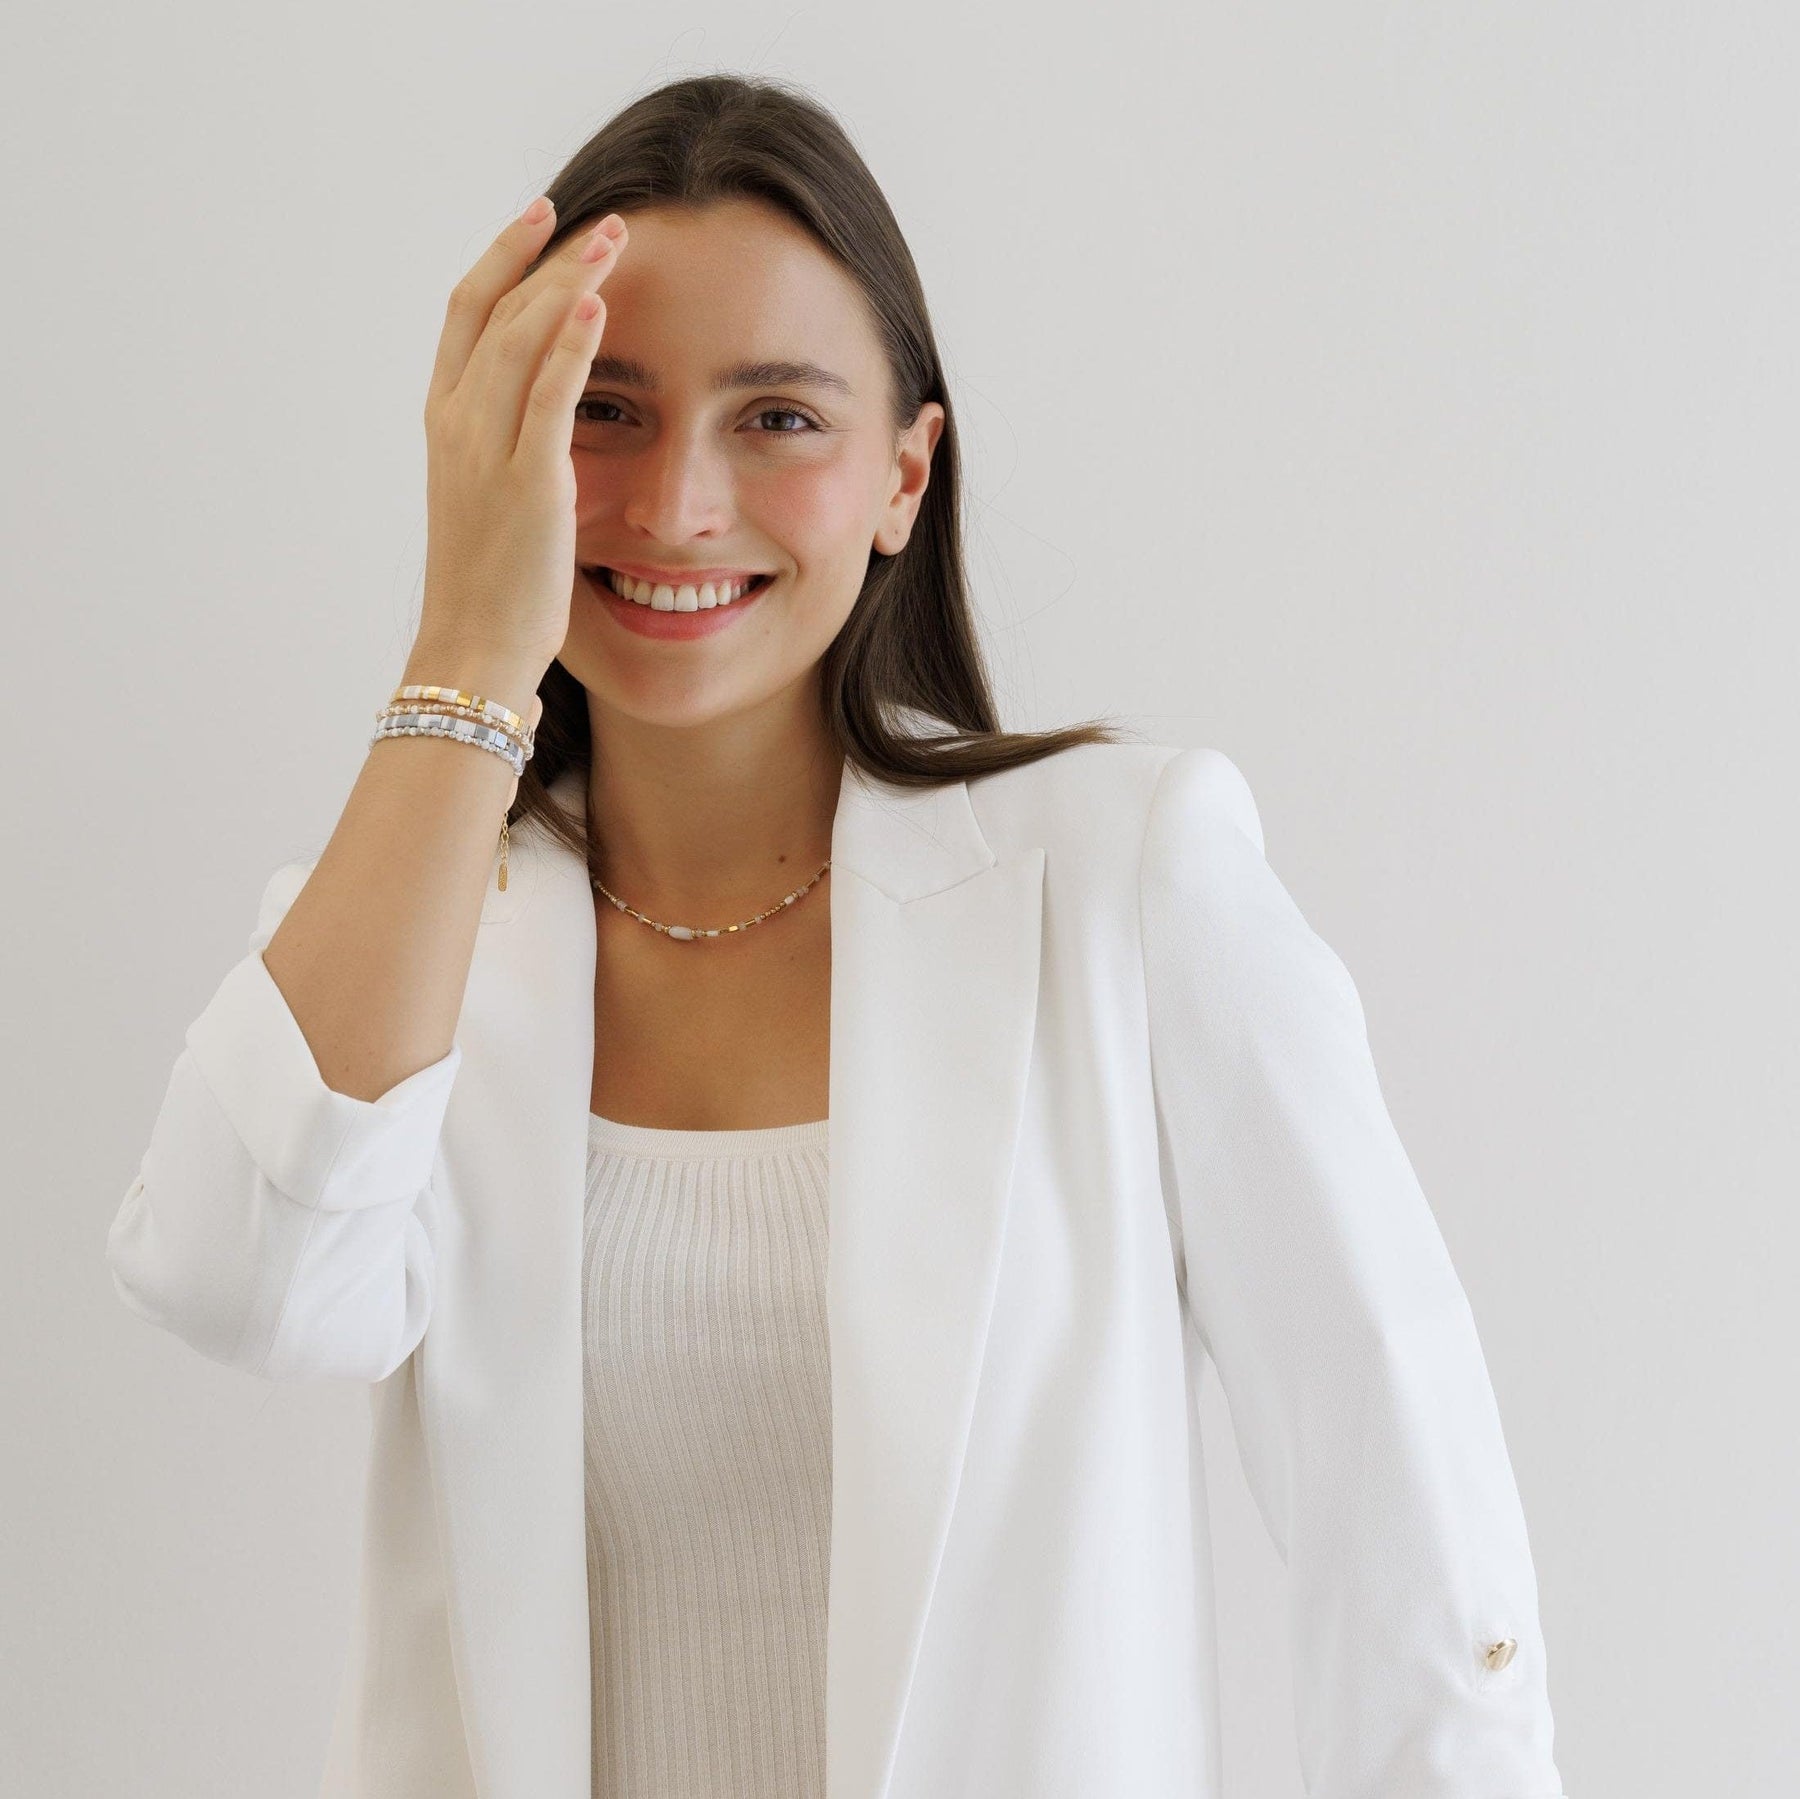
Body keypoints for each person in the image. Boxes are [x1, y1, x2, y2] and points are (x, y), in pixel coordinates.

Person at [105, 72, 1567, 1799]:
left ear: (903, 475)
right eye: (605, 410)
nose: (676, 506)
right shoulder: (414, 927)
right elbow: (243, 1286)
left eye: (779, 417)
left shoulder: (1123, 884)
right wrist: (464, 644)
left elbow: (1408, 1519)